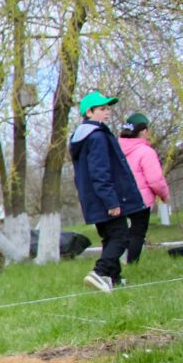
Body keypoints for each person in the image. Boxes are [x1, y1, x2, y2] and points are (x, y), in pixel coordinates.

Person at [69, 92, 145, 292]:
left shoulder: (82, 136)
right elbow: (100, 172)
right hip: (106, 199)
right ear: (89, 112)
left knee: (110, 238)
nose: (107, 113)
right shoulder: (97, 136)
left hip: (94, 199)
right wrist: (111, 201)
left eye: (108, 108)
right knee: (121, 237)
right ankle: (100, 272)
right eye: (102, 109)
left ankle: (114, 277)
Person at [118, 112, 171, 263]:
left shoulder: (116, 150)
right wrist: (164, 195)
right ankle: (132, 264)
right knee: (137, 232)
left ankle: (117, 262)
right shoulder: (146, 152)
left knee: (120, 232)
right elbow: (155, 180)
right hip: (140, 199)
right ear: (143, 131)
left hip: (119, 197)